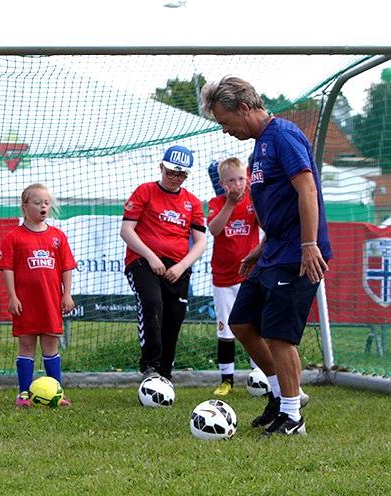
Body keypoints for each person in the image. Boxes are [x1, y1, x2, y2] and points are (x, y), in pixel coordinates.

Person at [201, 76, 331, 436]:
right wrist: (260, 249)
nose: (226, 131)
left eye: (226, 122)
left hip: (298, 253)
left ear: (244, 108)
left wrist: (308, 245)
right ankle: (279, 396)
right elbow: (279, 206)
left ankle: (293, 416)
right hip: (273, 251)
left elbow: (306, 189)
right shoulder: (259, 146)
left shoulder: (284, 136)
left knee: (279, 334)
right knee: (242, 323)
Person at [120, 145, 207, 382]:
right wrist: (150, 257)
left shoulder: (192, 202)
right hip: (143, 262)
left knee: (174, 316)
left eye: (181, 175)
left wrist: (181, 266)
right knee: (152, 303)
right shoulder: (145, 191)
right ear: (161, 167)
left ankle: (165, 373)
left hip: (177, 267)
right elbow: (127, 231)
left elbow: (200, 241)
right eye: (171, 173)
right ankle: (150, 365)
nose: (175, 179)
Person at [0, 183, 76, 408]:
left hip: (50, 302)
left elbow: (66, 268)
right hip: (26, 304)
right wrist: (12, 297)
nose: (43, 206)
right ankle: (23, 394)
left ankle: (57, 393)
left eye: (46, 203)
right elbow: (7, 269)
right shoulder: (14, 237)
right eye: (37, 202)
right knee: (26, 348)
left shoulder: (57, 237)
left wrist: (67, 294)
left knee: (51, 347)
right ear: (24, 207)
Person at [206, 157, 261, 395]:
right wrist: (229, 203)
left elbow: (266, 224)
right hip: (223, 278)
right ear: (222, 183)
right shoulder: (217, 203)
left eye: (240, 179)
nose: (237, 184)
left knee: (255, 326)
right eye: (231, 181)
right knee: (225, 329)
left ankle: (260, 374)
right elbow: (215, 229)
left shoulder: (253, 201)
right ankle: (226, 379)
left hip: (249, 276)